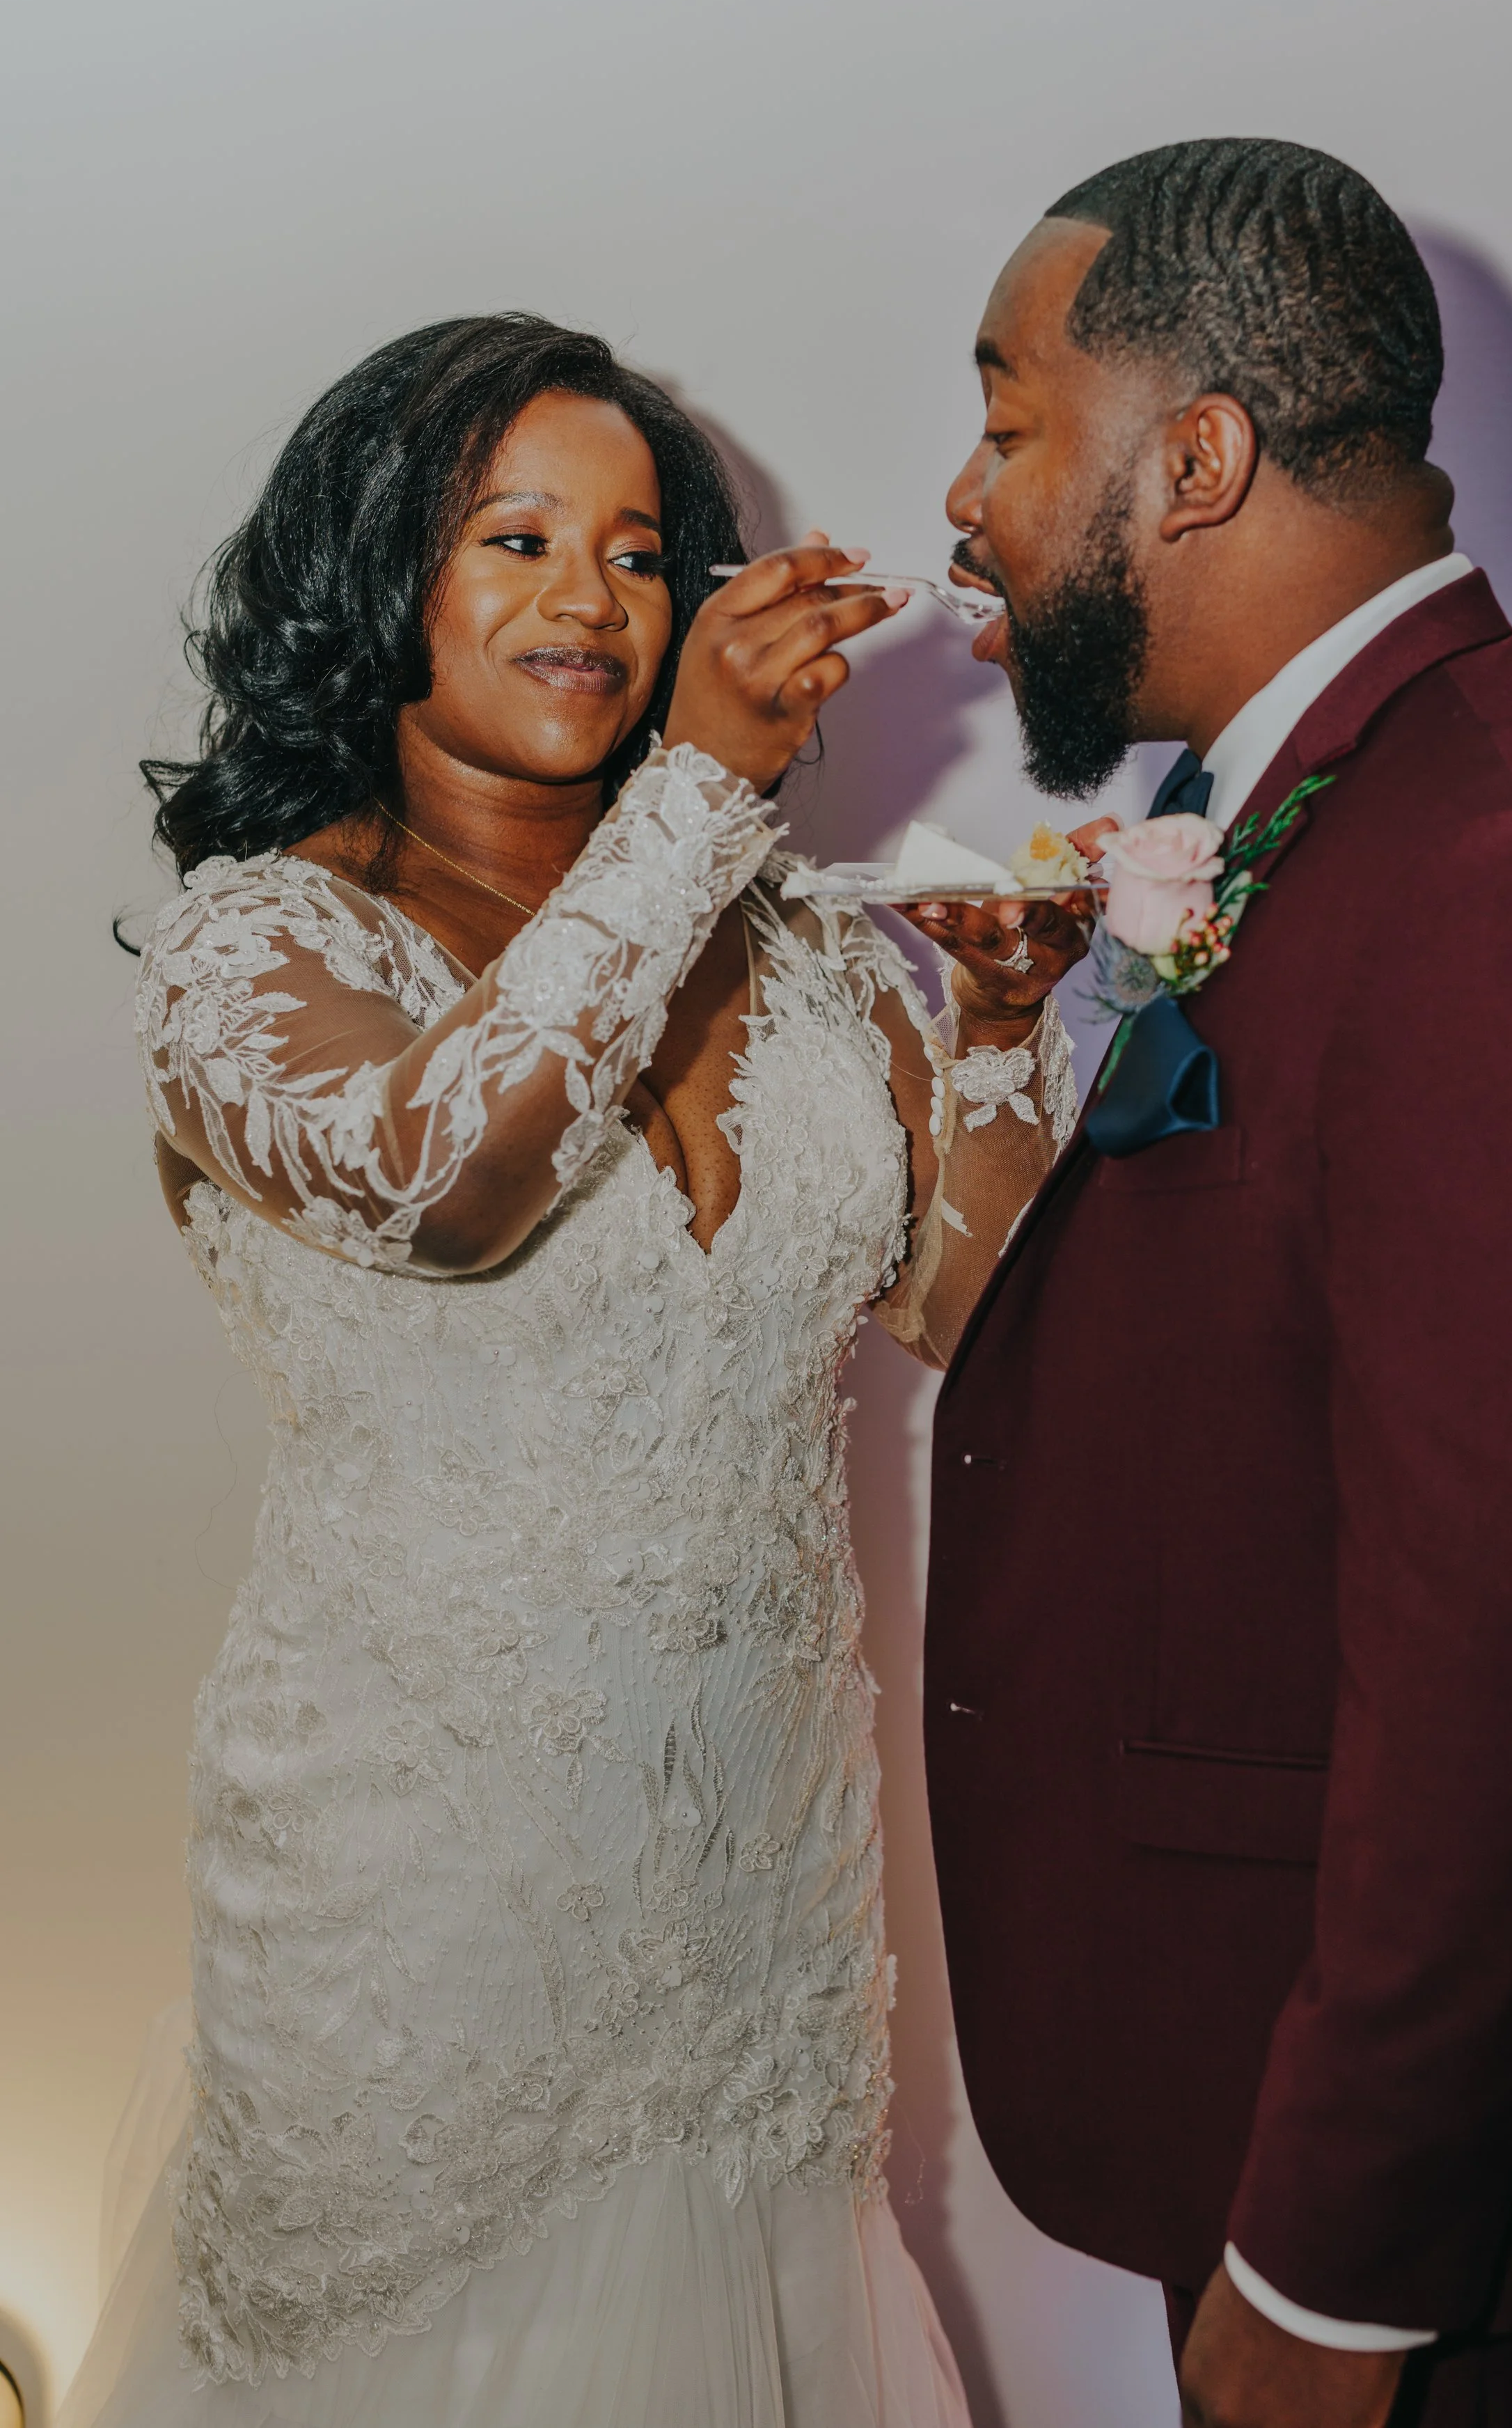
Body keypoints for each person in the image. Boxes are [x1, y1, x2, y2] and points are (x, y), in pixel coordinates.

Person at [65, 313, 1087, 2428]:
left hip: (757, 1893)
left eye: (636, 553)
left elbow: (979, 1325)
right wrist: (705, 781)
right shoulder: (257, 948)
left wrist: (997, 1025)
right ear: (381, 579)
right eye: (513, 536)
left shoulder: (806, 950)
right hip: (421, 1889)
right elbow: (441, 1177)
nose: (585, 600)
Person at [923, 139, 1512, 2427]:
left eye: (1005, 420)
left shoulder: (1508, 855)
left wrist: (1330, 2262)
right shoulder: (1328, 795)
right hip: (1281, 2106)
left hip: (1454, 2229)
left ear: (1193, 459)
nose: (963, 498)